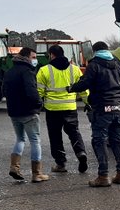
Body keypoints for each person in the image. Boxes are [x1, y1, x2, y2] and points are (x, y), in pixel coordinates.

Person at [67, 41, 120, 187]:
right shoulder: (117, 65)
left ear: (95, 51)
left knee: (99, 140)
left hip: (102, 109)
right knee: (117, 140)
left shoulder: (94, 65)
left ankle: (103, 176)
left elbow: (85, 83)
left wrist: (71, 88)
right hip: (118, 108)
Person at [37, 45, 89, 174]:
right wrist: (87, 102)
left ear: (51, 55)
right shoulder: (75, 69)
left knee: (55, 136)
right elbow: (83, 88)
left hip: (52, 109)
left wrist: (37, 106)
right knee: (74, 132)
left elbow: (39, 92)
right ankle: (81, 153)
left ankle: (61, 164)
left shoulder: (44, 70)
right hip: (70, 108)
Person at [3, 47, 49, 183]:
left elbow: (3, 92)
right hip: (28, 112)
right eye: (33, 57)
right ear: (27, 57)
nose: (35, 60)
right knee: (35, 140)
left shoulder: (9, 72)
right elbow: (31, 92)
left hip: (14, 112)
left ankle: (14, 167)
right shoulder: (28, 72)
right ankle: (37, 173)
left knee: (20, 139)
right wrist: (39, 104)